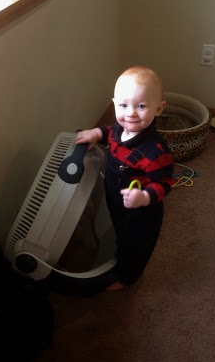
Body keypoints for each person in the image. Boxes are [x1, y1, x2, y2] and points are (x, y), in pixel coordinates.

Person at [73, 65, 176, 290]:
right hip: (116, 198)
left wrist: (144, 197)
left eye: (141, 106)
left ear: (159, 108)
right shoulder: (119, 129)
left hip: (142, 212)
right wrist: (95, 133)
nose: (130, 113)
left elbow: (165, 183)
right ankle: (121, 251)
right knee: (120, 232)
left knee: (136, 245)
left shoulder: (155, 151)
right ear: (114, 103)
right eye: (123, 105)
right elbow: (108, 132)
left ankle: (127, 278)